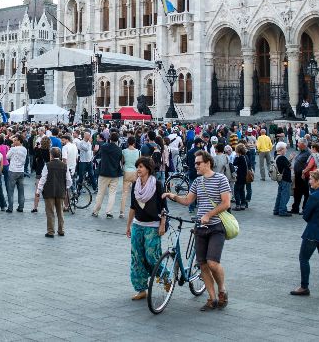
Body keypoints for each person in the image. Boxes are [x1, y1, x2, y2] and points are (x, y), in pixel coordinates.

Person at [163, 150, 232, 311]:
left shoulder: (220, 179)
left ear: (208, 163)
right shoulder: (197, 182)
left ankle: (222, 289)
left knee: (213, 263)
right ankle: (212, 298)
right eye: (195, 163)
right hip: (200, 227)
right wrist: (171, 196)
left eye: (198, 163)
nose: (195, 166)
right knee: (203, 264)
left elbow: (226, 203)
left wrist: (208, 214)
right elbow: (188, 200)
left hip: (216, 226)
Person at [291, 169, 319, 299]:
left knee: (304, 258)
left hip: (313, 232)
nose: (309, 181)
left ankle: (304, 287)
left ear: (318, 181)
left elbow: (306, 215)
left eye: (311, 179)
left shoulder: (314, 196)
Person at [126, 156, 167, 301]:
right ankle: (141, 289)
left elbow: (164, 208)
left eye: (141, 167)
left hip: (153, 226)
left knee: (152, 256)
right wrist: (129, 225)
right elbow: (132, 207)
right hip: (138, 225)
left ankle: (166, 277)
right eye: (137, 166)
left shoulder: (158, 184)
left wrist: (162, 224)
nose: (138, 169)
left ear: (148, 169)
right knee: (137, 258)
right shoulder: (135, 185)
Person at [38, 147, 70, 238]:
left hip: (49, 191)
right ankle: (61, 230)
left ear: (51, 155)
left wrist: (38, 190)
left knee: (50, 212)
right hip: (60, 191)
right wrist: (66, 187)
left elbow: (43, 179)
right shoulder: (64, 165)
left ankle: (51, 231)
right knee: (60, 211)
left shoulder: (47, 165)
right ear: (59, 155)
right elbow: (68, 180)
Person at [92, 132, 123, 218]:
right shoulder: (119, 150)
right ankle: (109, 212)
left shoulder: (104, 147)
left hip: (104, 172)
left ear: (109, 138)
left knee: (100, 193)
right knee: (112, 194)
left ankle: (96, 211)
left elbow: (99, 154)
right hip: (114, 174)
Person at [5, 136, 27, 213]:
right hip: (21, 170)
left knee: (10, 190)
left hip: (13, 170)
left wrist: (12, 149)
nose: (13, 142)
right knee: (21, 190)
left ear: (19, 141)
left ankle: (10, 207)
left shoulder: (13, 149)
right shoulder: (24, 149)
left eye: (15, 140)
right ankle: (21, 207)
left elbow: (7, 156)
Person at [290, 140, 312, 214]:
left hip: (304, 176)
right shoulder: (301, 151)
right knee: (297, 192)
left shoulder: (308, 153)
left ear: (304, 144)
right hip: (297, 176)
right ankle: (295, 208)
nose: (297, 144)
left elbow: (309, 165)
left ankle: (305, 209)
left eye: (299, 143)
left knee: (306, 193)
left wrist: (304, 172)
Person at [273, 142, 292, 217]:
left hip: (279, 178)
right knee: (285, 194)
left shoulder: (276, 156)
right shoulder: (282, 157)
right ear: (281, 149)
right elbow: (289, 166)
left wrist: (289, 159)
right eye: (285, 148)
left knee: (280, 194)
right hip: (285, 178)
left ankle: (276, 209)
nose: (286, 150)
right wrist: (290, 160)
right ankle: (282, 210)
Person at [231, 144, 251, 211]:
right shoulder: (246, 156)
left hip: (239, 176)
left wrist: (236, 157)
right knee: (242, 190)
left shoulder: (239, 158)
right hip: (245, 176)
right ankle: (243, 204)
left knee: (236, 190)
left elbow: (234, 164)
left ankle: (238, 205)